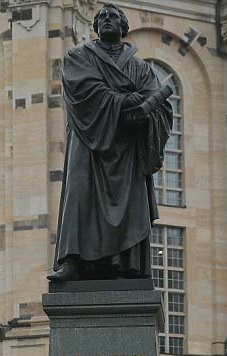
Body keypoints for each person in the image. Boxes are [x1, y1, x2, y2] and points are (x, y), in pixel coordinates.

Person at [47, 3, 173, 282]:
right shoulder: (78, 57)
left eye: (113, 16)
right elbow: (82, 91)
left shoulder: (140, 67)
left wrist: (145, 115)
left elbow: (158, 105)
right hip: (89, 139)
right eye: (101, 16)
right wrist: (125, 101)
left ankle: (126, 262)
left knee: (130, 201)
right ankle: (72, 260)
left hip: (127, 147)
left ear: (123, 26)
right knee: (78, 192)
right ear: (94, 26)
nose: (106, 20)